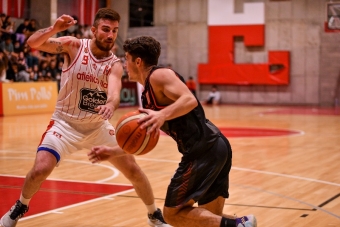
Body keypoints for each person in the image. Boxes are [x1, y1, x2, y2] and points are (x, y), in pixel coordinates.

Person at [0, 9, 169, 227]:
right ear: (94, 30)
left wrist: (110, 104)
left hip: (97, 127)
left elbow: (115, 94)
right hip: (64, 124)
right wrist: (54, 29)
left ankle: (153, 214)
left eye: (114, 31)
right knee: (41, 169)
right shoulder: (74, 45)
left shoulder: (115, 64)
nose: (110, 35)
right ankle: (21, 205)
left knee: (134, 170)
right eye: (106, 29)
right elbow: (33, 43)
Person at [88, 36, 257, 227]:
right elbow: (141, 139)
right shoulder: (148, 93)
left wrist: (162, 115)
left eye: (126, 58)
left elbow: (189, 99)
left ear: (138, 61)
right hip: (215, 147)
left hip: (202, 150)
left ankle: (237, 225)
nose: (124, 64)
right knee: (208, 219)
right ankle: (242, 223)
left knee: (172, 214)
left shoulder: (159, 75)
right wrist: (111, 151)